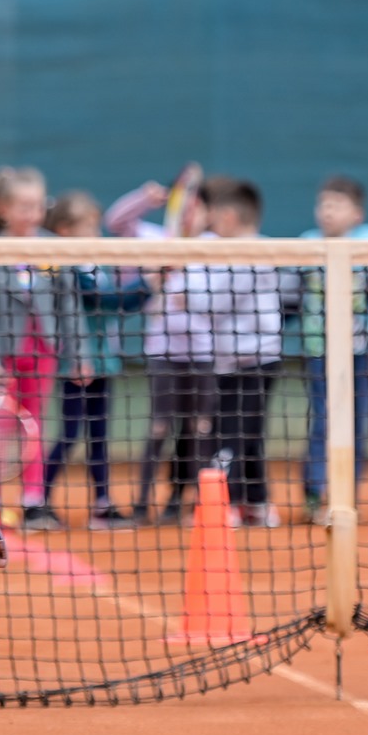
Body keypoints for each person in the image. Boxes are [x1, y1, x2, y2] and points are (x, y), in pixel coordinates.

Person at [106, 172, 221, 524]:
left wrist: (190, 293)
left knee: (199, 429)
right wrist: (146, 196)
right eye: (184, 206)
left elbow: (219, 299)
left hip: (203, 356)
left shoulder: (217, 246)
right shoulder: (157, 239)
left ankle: (188, 504)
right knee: (159, 428)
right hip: (162, 354)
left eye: (197, 207)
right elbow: (116, 221)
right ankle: (141, 506)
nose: (190, 213)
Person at [0, 166, 76, 532]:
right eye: (24, 206)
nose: (32, 213)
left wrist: (76, 354)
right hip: (3, 355)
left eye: (37, 205)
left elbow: (68, 304)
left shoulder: (52, 247)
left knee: (35, 424)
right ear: (3, 208)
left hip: (42, 350)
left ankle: (34, 502)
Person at [295, 175, 368, 526]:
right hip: (318, 349)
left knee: (357, 422)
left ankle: (345, 496)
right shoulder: (306, 245)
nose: (328, 211)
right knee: (324, 420)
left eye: (337, 205)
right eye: (323, 204)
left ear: (356, 214)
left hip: (362, 349)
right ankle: (314, 493)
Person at [40, 190, 150, 529]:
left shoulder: (97, 266)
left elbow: (120, 302)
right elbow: (106, 300)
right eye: (88, 226)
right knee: (71, 433)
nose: (96, 233)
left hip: (104, 364)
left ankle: (102, 504)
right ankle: (39, 499)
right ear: (65, 231)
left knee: (100, 436)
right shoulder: (67, 270)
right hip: (76, 365)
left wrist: (149, 284)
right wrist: (147, 283)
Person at [203, 176, 284, 527]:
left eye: (216, 215)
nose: (211, 222)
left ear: (231, 217)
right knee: (246, 433)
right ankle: (258, 501)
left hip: (257, 359)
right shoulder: (226, 250)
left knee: (233, 433)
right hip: (228, 360)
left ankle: (230, 503)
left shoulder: (252, 250)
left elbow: (218, 302)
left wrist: (183, 296)